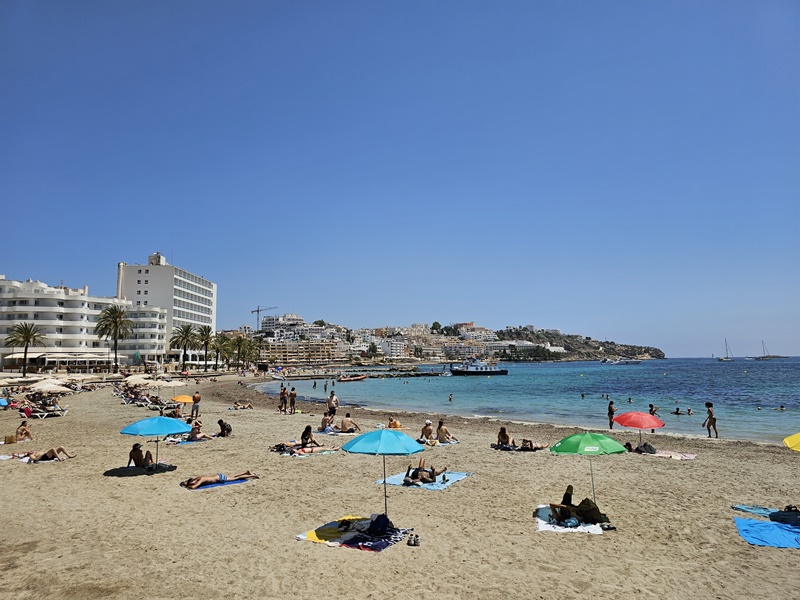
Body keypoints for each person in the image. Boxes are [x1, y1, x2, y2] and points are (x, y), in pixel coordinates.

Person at [180, 471, 259, 489]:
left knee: (236, 478)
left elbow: (194, 487)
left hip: (220, 478)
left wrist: (189, 486)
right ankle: (245, 472)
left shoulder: (200, 480)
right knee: (233, 476)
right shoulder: (199, 478)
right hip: (218, 476)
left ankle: (252, 475)